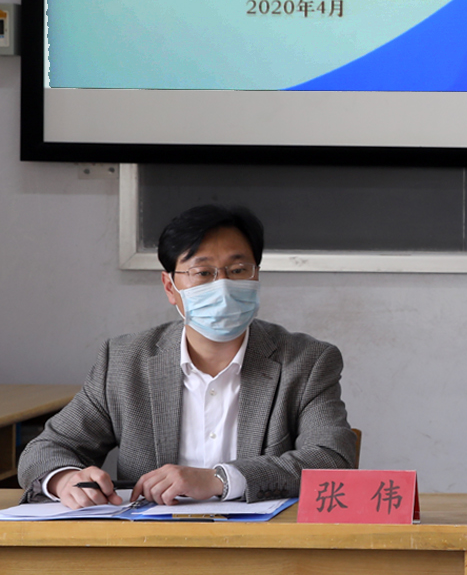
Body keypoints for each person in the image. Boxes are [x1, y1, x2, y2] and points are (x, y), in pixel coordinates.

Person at [18, 204, 358, 507]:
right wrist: (65, 480)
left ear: (256, 275)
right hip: (150, 546)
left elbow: (332, 459)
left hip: (261, 546)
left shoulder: (306, 361)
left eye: (238, 270)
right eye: (203, 273)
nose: (223, 286)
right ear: (171, 287)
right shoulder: (124, 362)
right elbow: (46, 449)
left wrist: (220, 479)